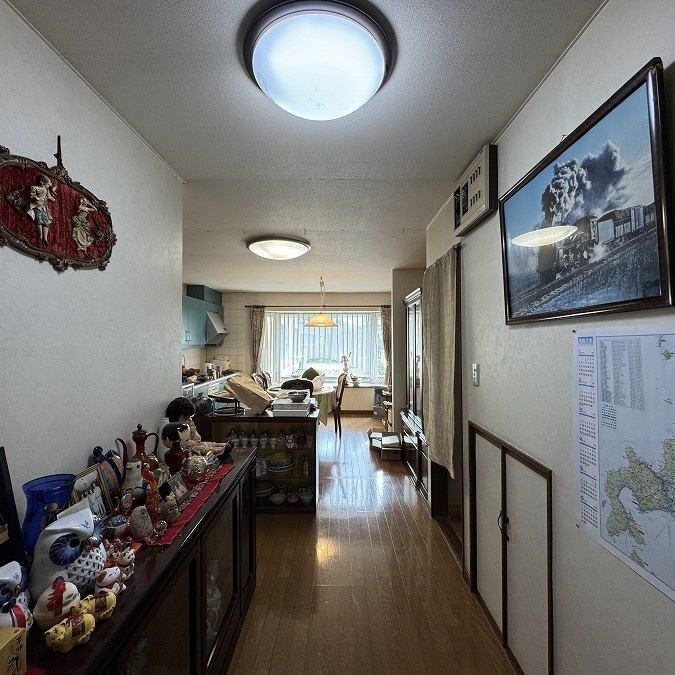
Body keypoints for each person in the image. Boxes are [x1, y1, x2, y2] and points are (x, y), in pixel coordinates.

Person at [27, 174, 57, 245]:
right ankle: (40, 236)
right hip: (38, 206)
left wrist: (53, 191)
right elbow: (33, 188)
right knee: (39, 220)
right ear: (46, 183)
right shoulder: (42, 188)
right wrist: (37, 198)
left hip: (44, 208)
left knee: (45, 222)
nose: (51, 183)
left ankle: (45, 238)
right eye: (50, 182)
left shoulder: (47, 190)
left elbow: (52, 199)